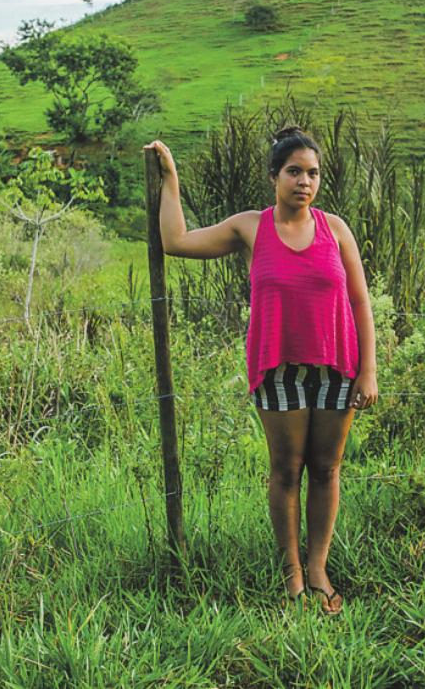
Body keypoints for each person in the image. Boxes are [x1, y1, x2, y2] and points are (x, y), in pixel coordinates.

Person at [143, 127, 378, 615]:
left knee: (328, 469)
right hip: (279, 371)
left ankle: (319, 569)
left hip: (337, 368)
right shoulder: (250, 227)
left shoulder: (335, 229)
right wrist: (171, 179)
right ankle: (291, 572)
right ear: (274, 176)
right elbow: (176, 241)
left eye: (312, 173)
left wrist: (369, 370)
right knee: (285, 471)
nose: (304, 182)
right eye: (294, 171)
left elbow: (360, 300)